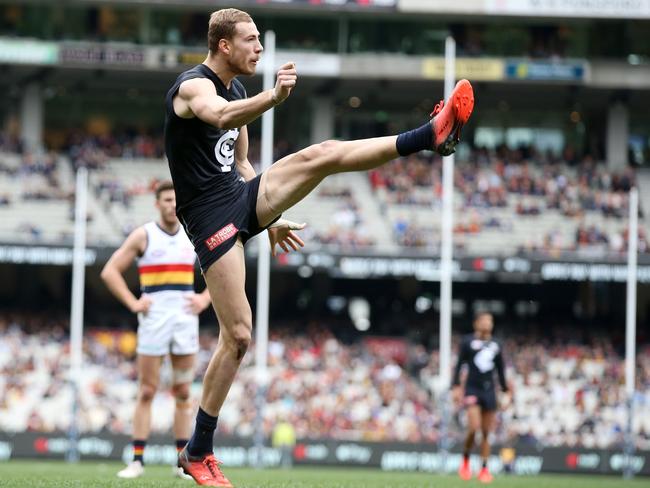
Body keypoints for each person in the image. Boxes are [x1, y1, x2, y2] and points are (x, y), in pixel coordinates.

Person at [164, 8, 474, 486]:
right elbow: (219, 115)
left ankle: (428, 136)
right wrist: (275, 97)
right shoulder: (193, 87)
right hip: (206, 217)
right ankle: (197, 450)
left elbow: (243, 164)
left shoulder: (240, 89)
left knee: (321, 154)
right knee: (240, 335)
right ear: (224, 45)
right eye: (251, 41)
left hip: (237, 196)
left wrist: (269, 219)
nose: (259, 49)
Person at [100, 180, 211, 479]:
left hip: (185, 319)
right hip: (154, 320)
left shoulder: (194, 232)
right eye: (166, 200)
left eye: (176, 199)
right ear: (157, 203)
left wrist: (204, 298)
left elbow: (225, 265)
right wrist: (133, 303)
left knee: (184, 391)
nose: (172, 205)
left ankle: (182, 463)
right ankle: (137, 460)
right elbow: (109, 271)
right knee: (147, 391)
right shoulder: (144, 235)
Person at [452, 312, 512, 484]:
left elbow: (500, 370)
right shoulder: (468, 341)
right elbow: (459, 365)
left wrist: (505, 390)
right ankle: (465, 460)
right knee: (473, 427)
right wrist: (456, 386)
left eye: (490, 321)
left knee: (486, 433)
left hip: (489, 391)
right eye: (484, 320)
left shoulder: (497, 344)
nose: (487, 323)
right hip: (472, 389)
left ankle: (484, 469)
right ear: (476, 323)